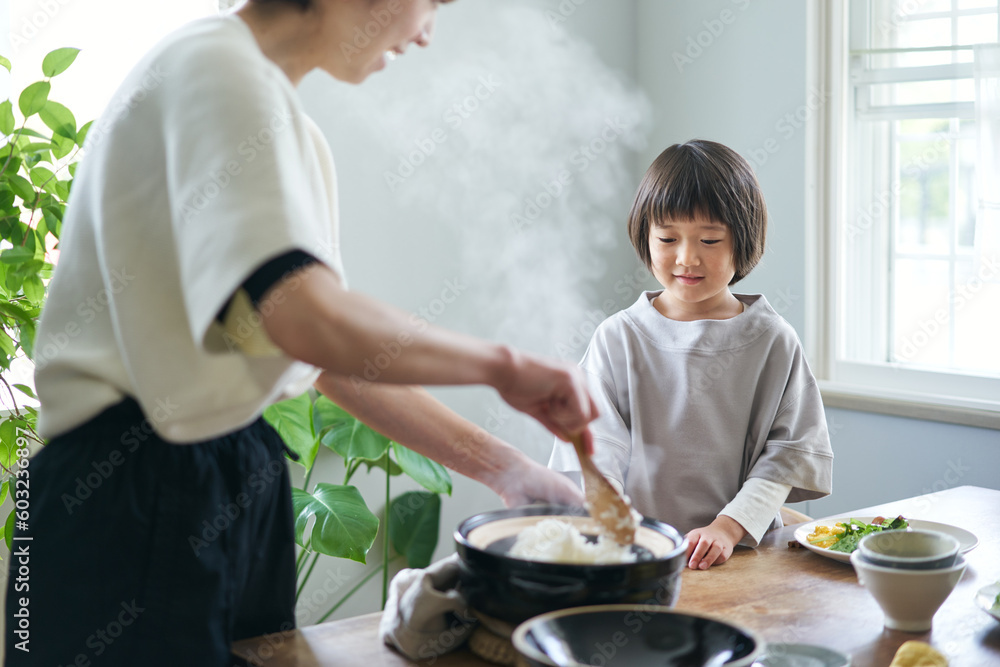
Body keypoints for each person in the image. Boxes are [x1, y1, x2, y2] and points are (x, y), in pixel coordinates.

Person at [7, 1, 597, 665]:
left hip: (211, 480)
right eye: (431, 1)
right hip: (138, 490)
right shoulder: (217, 68)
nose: (428, 32)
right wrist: (506, 366)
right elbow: (305, 316)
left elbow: (314, 352)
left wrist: (507, 470)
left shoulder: (273, 115)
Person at [549, 139, 833, 571]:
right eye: (667, 237)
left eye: (710, 239)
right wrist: (615, 520)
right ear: (644, 235)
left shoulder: (772, 339)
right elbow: (592, 444)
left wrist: (728, 526)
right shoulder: (618, 337)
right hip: (640, 554)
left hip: (744, 553)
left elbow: (789, 452)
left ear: (744, 238)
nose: (687, 257)